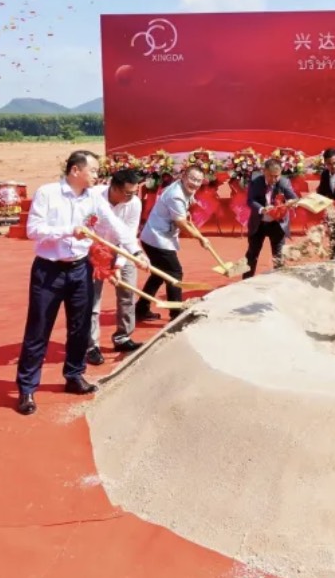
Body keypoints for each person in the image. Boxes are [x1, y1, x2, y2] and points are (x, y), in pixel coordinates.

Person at [15, 150, 144, 417]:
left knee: (80, 327)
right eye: (93, 170)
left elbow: (116, 225)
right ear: (76, 170)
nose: (98, 174)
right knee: (39, 329)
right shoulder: (48, 193)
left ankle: (74, 375)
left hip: (80, 268)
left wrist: (136, 252)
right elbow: (33, 230)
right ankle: (27, 388)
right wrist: (68, 230)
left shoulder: (94, 198)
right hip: (49, 271)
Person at [135, 164, 212, 322]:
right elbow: (181, 223)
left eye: (198, 180)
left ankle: (141, 309)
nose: (195, 183)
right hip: (157, 239)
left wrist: (186, 215)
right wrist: (200, 238)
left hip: (157, 236)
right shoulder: (176, 195)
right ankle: (176, 314)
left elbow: (183, 216)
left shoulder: (184, 189)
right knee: (175, 273)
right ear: (183, 177)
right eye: (192, 179)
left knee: (158, 275)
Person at [86, 167, 144, 363]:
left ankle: (123, 337)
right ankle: (91, 345)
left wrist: (118, 265)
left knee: (128, 293)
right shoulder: (93, 196)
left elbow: (129, 234)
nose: (132, 196)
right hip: (93, 251)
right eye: (128, 193)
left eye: (134, 192)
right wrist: (100, 260)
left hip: (122, 249)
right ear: (114, 188)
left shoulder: (134, 203)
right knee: (92, 300)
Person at [245, 157, 299, 277]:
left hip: (277, 224)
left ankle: (280, 281)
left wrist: (292, 202)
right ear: (264, 171)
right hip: (259, 223)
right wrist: (262, 209)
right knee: (252, 254)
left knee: (279, 256)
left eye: (277, 176)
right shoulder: (256, 181)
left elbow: (294, 198)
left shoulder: (284, 182)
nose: (274, 180)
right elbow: (250, 200)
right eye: (271, 176)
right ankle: (246, 280)